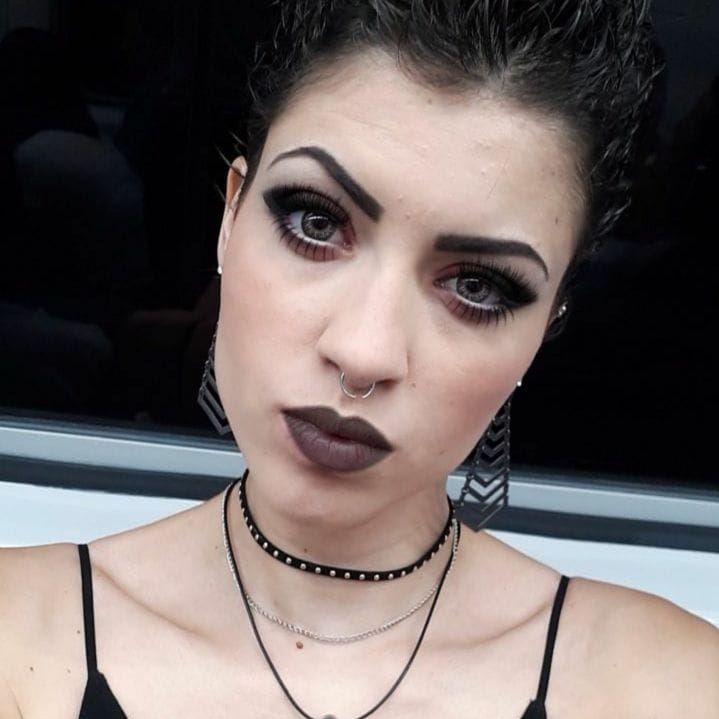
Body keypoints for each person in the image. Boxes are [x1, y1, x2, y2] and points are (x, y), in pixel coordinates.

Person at [1, 1, 718, 718]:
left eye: (476, 286)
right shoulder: (17, 632)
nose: (363, 352)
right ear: (230, 216)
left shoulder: (670, 686)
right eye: (315, 222)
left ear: (547, 324)